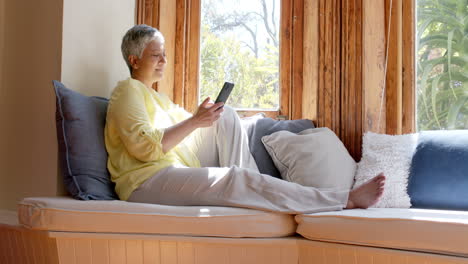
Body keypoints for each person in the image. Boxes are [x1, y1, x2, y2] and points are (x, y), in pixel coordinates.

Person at [104, 24, 385, 214]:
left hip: (174, 169)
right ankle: (342, 199)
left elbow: (184, 139)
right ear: (135, 60)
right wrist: (193, 122)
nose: (164, 61)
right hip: (144, 183)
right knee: (232, 178)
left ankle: (252, 188)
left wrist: (203, 117)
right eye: (156, 56)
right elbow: (144, 148)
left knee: (224, 117)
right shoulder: (127, 91)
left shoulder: (159, 99)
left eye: (165, 55)